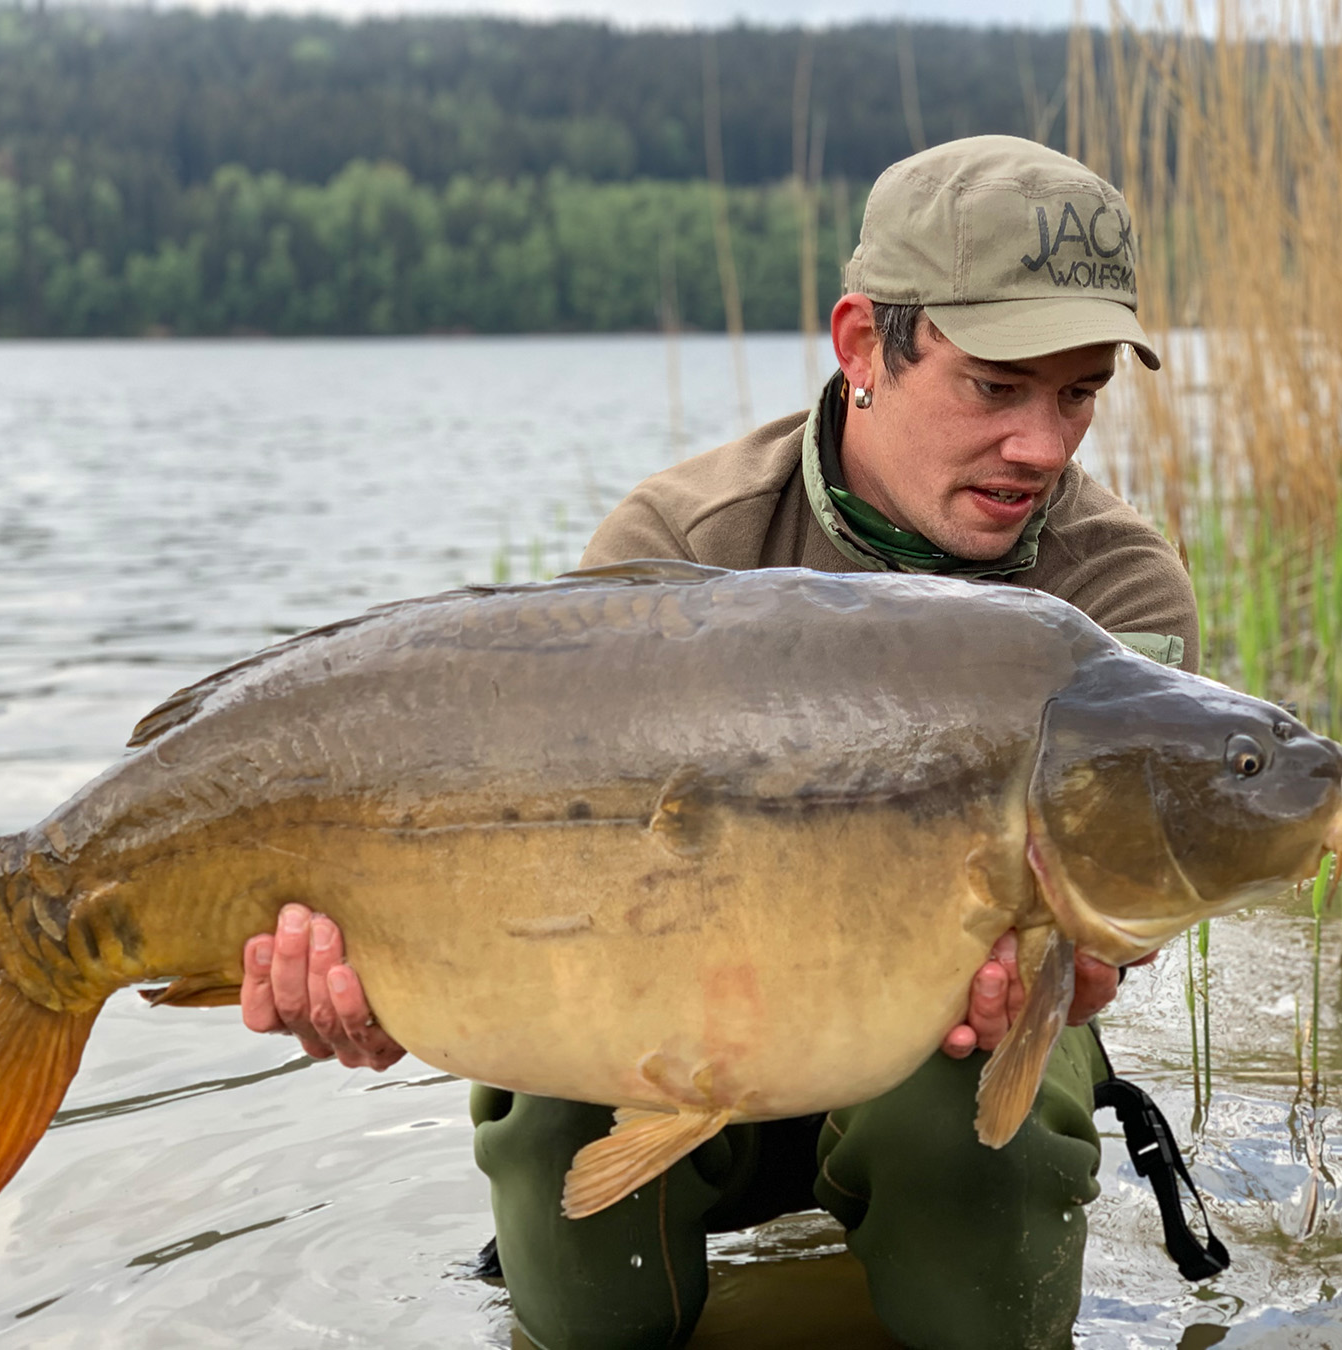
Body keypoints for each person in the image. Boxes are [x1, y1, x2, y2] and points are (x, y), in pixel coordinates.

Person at [239, 136, 1199, 1350]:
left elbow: (1124, 895)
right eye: (996, 387)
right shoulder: (680, 543)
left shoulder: (1113, 589)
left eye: (1079, 393)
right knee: (559, 1159)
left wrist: (1089, 965)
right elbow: (537, 882)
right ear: (863, 347)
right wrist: (392, 985)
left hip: (937, 1036)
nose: (1045, 447)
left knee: (968, 1153)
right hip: (665, 1012)